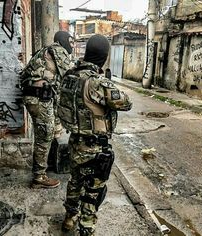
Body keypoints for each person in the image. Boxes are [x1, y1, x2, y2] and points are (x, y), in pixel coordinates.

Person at [58, 34, 132, 235]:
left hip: (74, 142)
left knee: (75, 182)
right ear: (104, 56)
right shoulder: (97, 82)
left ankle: (69, 218)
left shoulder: (69, 76)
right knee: (93, 192)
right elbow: (125, 103)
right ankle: (86, 229)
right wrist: (105, 81)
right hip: (94, 148)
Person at [20, 31, 74, 188]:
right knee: (45, 134)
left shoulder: (47, 50)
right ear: (63, 40)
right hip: (38, 98)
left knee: (49, 131)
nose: (71, 44)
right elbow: (69, 75)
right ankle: (39, 177)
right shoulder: (58, 50)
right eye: (69, 41)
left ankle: (46, 164)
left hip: (38, 98)